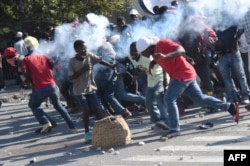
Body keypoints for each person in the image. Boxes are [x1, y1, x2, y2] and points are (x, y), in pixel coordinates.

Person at [135, 36, 239, 139]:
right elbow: (169, 57)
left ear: (147, 48)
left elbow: (181, 50)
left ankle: (174, 129)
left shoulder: (162, 43)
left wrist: (166, 56)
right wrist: (153, 63)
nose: (143, 55)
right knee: (200, 99)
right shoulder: (153, 53)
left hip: (182, 74)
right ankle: (229, 107)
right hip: (185, 74)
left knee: (169, 99)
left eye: (143, 52)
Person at [20, 36, 77, 134]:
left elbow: (23, 71)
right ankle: (72, 127)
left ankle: (45, 122)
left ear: (27, 48)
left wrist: (30, 81)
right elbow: (53, 65)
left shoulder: (26, 59)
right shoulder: (44, 56)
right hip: (52, 85)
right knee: (59, 106)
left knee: (34, 106)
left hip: (39, 87)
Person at [68, 40, 114, 142]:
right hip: (79, 89)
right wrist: (83, 70)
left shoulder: (89, 55)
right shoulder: (72, 61)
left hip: (90, 87)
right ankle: (87, 132)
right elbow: (71, 77)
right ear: (76, 50)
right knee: (86, 109)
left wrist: (111, 65)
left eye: (85, 48)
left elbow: (99, 60)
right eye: (81, 49)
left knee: (97, 109)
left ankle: (100, 131)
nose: (84, 50)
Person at [129, 41, 169, 130]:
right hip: (150, 79)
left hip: (160, 77)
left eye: (135, 51)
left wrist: (165, 79)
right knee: (148, 102)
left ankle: (166, 121)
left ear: (139, 51)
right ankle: (157, 121)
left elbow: (164, 65)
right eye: (131, 51)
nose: (133, 53)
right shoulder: (131, 57)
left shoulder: (148, 59)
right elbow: (140, 67)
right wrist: (136, 75)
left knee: (159, 97)